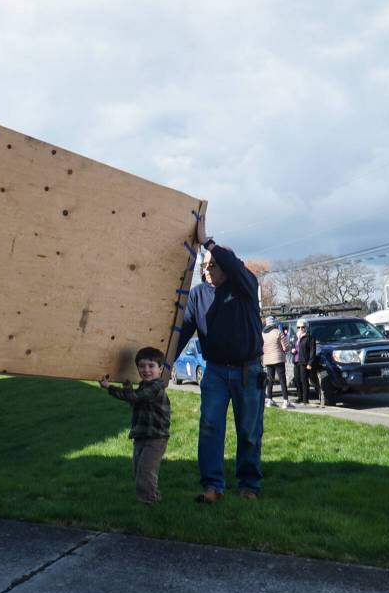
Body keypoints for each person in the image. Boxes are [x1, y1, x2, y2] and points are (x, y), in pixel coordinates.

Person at [174, 215, 265, 503]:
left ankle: (248, 486)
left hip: (248, 371)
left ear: (226, 266)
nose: (207, 268)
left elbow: (235, 266)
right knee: (210, 427)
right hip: (214, 373)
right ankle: (213, 486)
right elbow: (182, 332)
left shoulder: (244, 287)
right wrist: (163, 369)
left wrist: (207, 242)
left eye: (213, 264)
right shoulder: (198, 296)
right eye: (204, 265)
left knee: (249, 431)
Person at [98, 347, 171, 505]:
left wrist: (109, 388)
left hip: (156, 438)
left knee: (146, 472)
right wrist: (128, 389)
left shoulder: (156, 387)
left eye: (151, 366)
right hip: (141, 435)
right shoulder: (144, 386)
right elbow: (135, 401)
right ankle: (148, 499)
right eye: (142, 366)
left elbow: (137, 398)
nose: (146, 370)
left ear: (161, 369)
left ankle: (150, 502)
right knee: (138, 471)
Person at [262, 316, 292, 409]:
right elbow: (286, 346)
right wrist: (286, 350)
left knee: (270, 380)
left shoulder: (262, 334)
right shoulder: (278, 332)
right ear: (274, 323)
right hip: (278, 359)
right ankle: (285, 401)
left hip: (267, 359)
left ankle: (269, 400)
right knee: (282, 380)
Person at [294, 319, 318, 405]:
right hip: (296, 360)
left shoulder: (310, 337)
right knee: (297, 380)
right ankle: (299, 397)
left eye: (302, 327)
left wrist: (310, 363)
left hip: (304, 361)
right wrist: (293, 350)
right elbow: (294, 346)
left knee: (304, 380)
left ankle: (305, 399)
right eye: (298, 327)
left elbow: (312, 351)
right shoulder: (296, 336)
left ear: (306, 327)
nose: (300, 329)